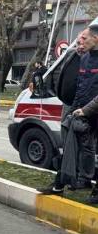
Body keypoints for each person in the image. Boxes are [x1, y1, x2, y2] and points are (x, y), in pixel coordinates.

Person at [39, 25, 98, 202]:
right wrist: (73, 111)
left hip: (92, 111)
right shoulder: (85, 58)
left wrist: (85, 110)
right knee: (76, 148)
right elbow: (81, 86)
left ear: (96, 39)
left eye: (84, 39)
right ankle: (68, 182)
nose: (81, 41)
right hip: (84, 112)